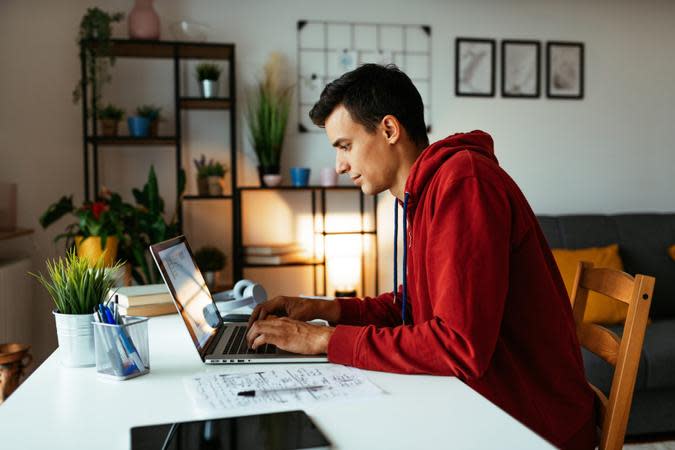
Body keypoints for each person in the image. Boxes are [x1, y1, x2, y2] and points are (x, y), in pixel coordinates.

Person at [246, 64, 596, 449]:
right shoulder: (422, 196)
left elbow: (459, 345)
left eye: (345, 146)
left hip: (527, 424)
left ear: (390, 130)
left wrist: (323, 341)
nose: (340, 166)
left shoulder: (464, 185)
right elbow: (412, 308)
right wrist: (322, 310)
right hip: (482, 402)